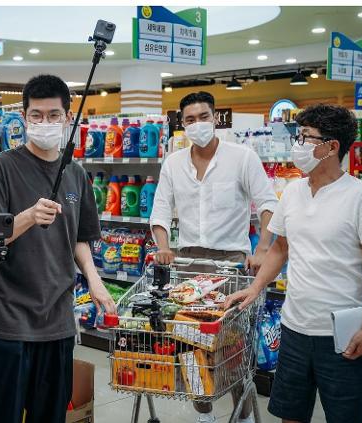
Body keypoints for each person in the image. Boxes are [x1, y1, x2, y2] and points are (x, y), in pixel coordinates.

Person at [225, 104, 362, 423]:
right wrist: (255, 288)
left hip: (343, 334)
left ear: (332, 147)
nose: (296, 143)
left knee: (346, 415)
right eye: (297, 135)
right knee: (291, 414)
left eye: (305, 137)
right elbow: (279, 249)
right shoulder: (292, 192)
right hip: (294, 328)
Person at [0, 74, 116, 423]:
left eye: (53, 115)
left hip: (57, 317)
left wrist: (95, 281)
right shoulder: (1, 167)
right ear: (24, 117)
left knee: (50, 414)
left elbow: (79, 237)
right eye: (36, 115)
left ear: (69, 118)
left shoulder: (76, 174)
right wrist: (27, 217)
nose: (44, 123)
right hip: (8, 316)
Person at [150, 91, 278, 423]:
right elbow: (161, 209)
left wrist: (262, 250)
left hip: (232, 262)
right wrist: (164, 247)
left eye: (203, 117)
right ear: (182, 124)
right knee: (190, 344)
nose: (197, 124)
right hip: (189, 262)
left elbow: (267, 205)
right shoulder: (174, 163)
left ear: (215, 118)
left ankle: (244, 414)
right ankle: (203, 414)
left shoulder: (242, 157)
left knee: (232, 347)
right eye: (189, 119)